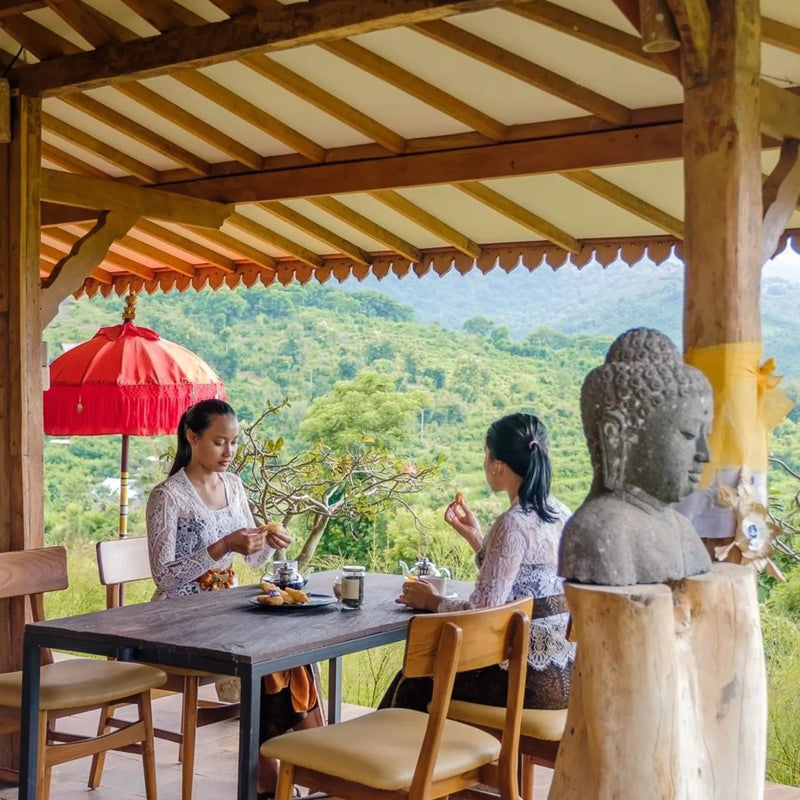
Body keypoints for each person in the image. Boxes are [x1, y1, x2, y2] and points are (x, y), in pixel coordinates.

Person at [146, 399, 323, 800]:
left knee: (291, 651)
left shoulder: (234, 485)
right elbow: (165, 576)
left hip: (224, 606)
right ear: (192, 437)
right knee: (263, 656)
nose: (229, 453)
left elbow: (252, 557)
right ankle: (287, 774)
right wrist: (224, 543)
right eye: (219, 442)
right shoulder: (168, 496)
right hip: (177, 617)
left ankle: (310, 767)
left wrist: (267, 542)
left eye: (234, 443)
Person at [382, 412, 575, 712]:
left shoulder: (513, 523)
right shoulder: (563, 513)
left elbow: (481, 611)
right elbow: (522, 578)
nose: (485, 464)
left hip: (525, 681)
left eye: (486, 456)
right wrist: (478, 539)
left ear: (498, 465)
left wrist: (432, 600)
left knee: (413, 680)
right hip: (565, 676)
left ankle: (408, 758)